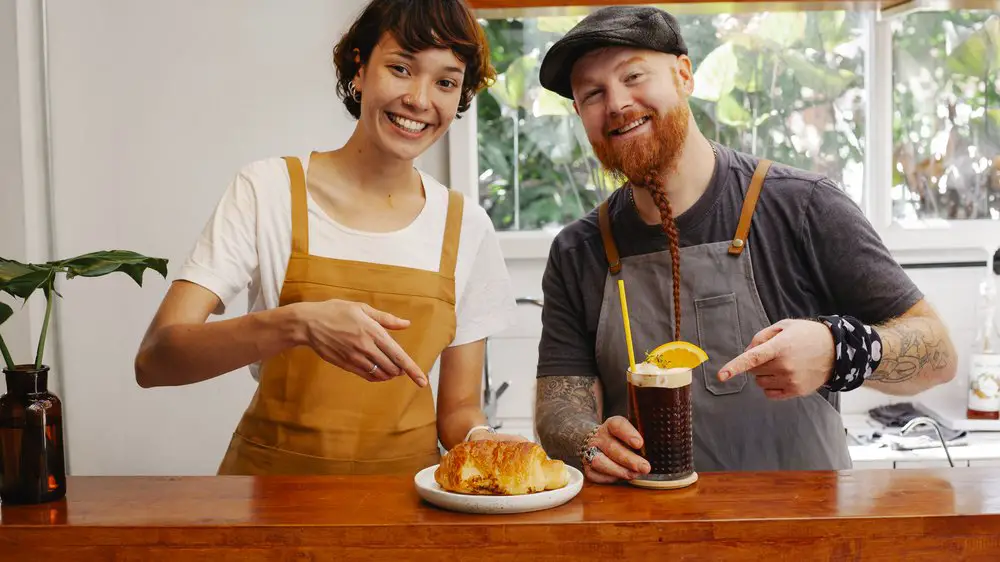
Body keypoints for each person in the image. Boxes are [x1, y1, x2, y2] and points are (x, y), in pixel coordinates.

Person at [532, 6, 957, 484]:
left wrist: (839, 350)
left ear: (683, 74)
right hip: (648, 542)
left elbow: (939, 355)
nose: (616, 103)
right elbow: (557, 407)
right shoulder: (578, 251)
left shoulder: (803, 207)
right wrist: (585, 439)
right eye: (592, 94)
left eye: (633, 75)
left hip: (803, 538)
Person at [134, 0, 523, 476]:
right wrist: (297, 324)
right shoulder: (267, 191)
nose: (421, 100)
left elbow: (458, 413)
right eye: (401, 68)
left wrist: (487, 443)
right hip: (267, 500)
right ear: (359, 69)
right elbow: (155, 361)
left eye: (445, 81)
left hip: (405, 512)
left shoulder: (467, 226)